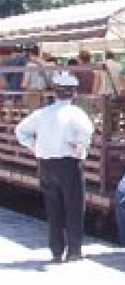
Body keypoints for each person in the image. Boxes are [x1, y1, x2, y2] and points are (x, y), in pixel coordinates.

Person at [15, 71, 95, 263]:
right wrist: (79, 147)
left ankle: (56, 251)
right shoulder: (76, 113)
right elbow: (86, 133)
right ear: (74, 93)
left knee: (53, 208)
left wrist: (35, 147)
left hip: (46, 164)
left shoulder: (42, 113)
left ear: (55, 92)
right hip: (69, 164)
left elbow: (20, 131)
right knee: (74, 207)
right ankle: (74, 251)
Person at [22, 45, 49, 110]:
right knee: (42, 111)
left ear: (30, 53)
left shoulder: (30, 64)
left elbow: (26, 81)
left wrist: (23, 87)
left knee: (33, 111)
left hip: (33, 90)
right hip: (43, 90)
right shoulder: (45, 63)